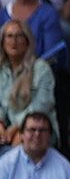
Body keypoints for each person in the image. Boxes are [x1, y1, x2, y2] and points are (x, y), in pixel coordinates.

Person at [0, 17, 54, 145]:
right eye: (9, 36)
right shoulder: (1, 70)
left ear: (27, 41)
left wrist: (17, 127)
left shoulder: (41, 68)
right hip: (8, 128)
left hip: (36, 126)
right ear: (2, 42)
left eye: (19, 36)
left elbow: (41, 105)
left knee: (24, 140)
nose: (14, 41)